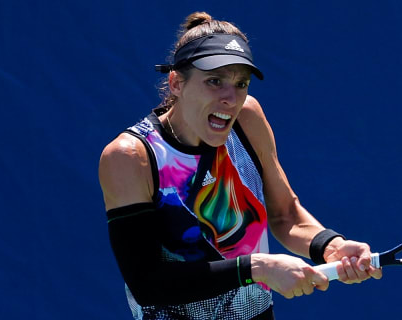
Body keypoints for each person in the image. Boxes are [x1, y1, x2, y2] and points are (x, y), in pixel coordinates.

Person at [98, 12, 381, 319]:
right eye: (214, 81)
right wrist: (257, 267)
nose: (230, 98)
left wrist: (330, 246)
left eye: (241, 83)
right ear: (176, 83)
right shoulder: (130, 156)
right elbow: (147, 283)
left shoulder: (247, 118)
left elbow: (286, 214)